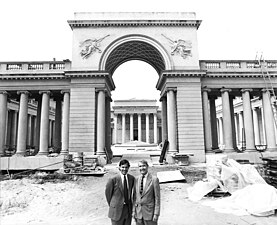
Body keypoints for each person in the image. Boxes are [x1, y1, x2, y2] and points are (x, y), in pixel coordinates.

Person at [105, 159, 135, 225]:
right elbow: (108, 194)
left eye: (126, 167)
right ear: (119, 168)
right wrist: (114, 205)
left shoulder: (131, 178)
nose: (124, 169)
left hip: (127, 209)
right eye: (122, 167)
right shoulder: (113, 179)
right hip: (116, 210)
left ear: (128, 168)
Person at [133, 160, 161, 225]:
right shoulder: (136, 179)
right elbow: (135, 197)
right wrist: (134, 211)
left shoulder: (154, 179)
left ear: (147, 167)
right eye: (140, 166)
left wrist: (156, 214)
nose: (142, 168)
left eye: (144, 166)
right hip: (139, 213)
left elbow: (157, 198)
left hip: (150, 213)